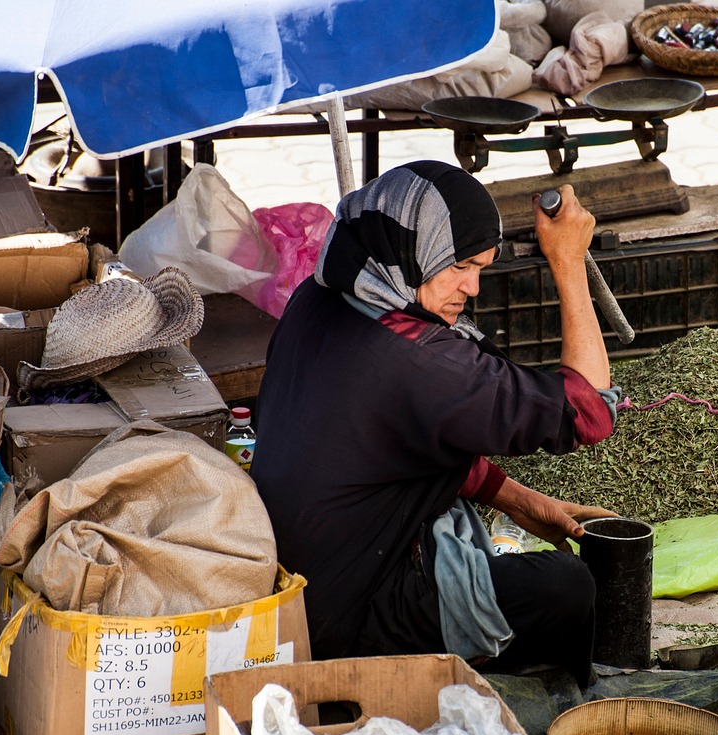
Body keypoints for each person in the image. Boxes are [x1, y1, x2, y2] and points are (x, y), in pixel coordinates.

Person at [251, 160, 619, 688]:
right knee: (566, 588)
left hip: (296, 591)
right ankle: (544, 693)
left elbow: (394, 437)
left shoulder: (322, 297)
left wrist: (525, 502)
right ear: (411, 250)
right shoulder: (421, 361)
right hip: (344, 626)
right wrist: (568, 262)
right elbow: (589, 411)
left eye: (481, 269)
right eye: (460, 265)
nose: (472, 288)